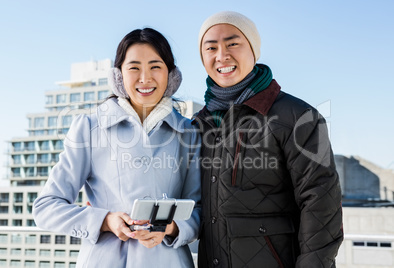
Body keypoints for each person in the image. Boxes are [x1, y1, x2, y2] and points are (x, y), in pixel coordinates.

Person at [33, 27, 201, 268]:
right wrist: (105, 220)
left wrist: (172, 227)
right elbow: (46, 207)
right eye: (134, 68)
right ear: (119, 76)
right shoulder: (90, 129)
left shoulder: (189, 134)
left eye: (155, 66)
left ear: (171, 76)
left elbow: (200, 211)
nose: (145, 78)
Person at [193, 11, 343, 267]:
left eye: (232, 43)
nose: (222, 55)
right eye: (211, 47)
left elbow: (320, 202)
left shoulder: (298, 116)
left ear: (253, 50)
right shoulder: (199, 123)